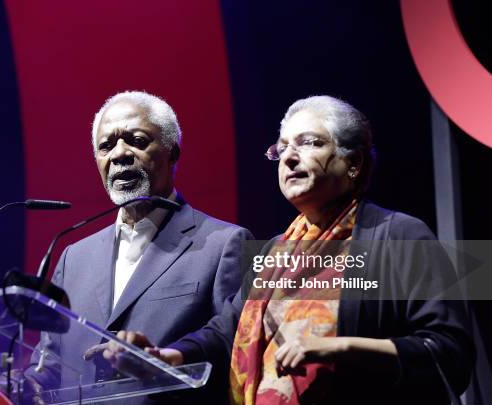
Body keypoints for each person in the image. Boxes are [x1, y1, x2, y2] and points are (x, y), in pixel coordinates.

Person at [105, 95, 474, 404]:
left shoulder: (399, 236)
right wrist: (170, 355)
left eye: (309, 143)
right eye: (282, 149)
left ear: (354, 163)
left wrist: (340, 348)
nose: (289, 158)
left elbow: (449, 352)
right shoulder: (273, 254)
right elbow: (224, 332)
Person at [28, 91, 253, 401]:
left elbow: (231, 343)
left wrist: (162, 359)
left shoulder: (226, 243)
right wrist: (23, 385)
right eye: (106, 146)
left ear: (172, 153)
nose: (119, 154)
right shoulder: (73, 256)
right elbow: (49, 361)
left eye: (137, 140)